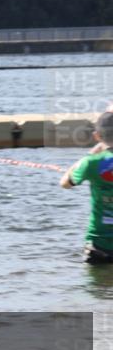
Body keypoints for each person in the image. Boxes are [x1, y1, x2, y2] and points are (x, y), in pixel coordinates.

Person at [60, 111, 113, 264]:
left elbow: (64, 183)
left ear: (97, 136)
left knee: (95, 287)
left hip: (99, 244)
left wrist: (88, 156)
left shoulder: (90, 163)